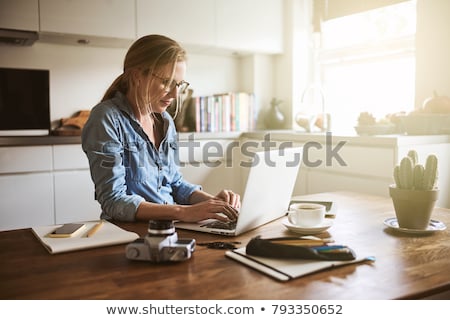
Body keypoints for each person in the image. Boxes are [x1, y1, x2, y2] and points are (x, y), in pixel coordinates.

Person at [81, 34, 240, 223]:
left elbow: (175, 184)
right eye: (166, 82)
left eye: (178, 85)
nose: (174, 94)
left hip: (169, 228)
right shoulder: (106, 118)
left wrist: (215, 204)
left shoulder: (164, 121)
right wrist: (182, 212)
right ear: (136, 76)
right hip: (128, 232)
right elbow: (113, 200)